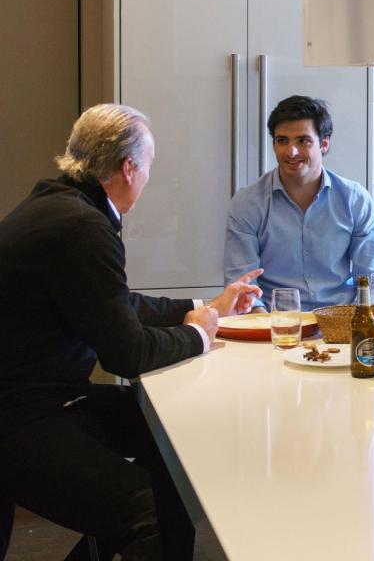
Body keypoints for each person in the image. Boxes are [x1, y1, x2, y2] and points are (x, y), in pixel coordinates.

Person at [0, 103, 262, 560]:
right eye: (149, 167)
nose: (148, 179)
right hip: (22, 416)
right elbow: (128, 354)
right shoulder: (82, 226)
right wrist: (200, 336)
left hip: (39, 396)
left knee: (172, 441)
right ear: (129, 167)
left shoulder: (60, 207)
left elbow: (114, 305)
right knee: (148, 511)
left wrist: (207, 306)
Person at [224, 95, 374, 312]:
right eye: (282, 141)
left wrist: (357, 326)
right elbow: (243, 287)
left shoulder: (355, 200)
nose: (291, 152)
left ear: (324, 144)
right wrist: (266, 329)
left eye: (303, 141)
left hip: (341, 321)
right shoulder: (248, 203)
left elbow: (372, 283)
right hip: (274, 324)